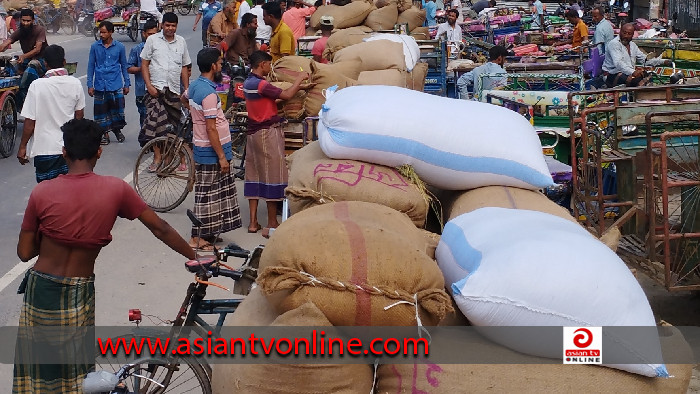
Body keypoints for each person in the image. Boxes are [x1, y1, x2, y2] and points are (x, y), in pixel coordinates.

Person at [13, 118, 195, 393]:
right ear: (99, 151)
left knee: (38, 369)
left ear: (64, 151)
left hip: (43, 290)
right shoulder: (116, 189)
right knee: (75, 372)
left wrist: (51, 232)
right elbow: (161, 228)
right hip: (79, 290)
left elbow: (25, 252)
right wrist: (194, 256)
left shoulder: (42, 192)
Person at [243, 50, 313, 235]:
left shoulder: (247, 83)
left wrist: (300, 88)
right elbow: (287, 95)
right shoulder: (262, 85)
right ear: (262, 64)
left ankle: (252, 222)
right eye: (268, 64)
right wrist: (299, 79)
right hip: (267, 133)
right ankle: (272, 222)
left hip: (252, 134)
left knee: (254, 174)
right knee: (273, 175)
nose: (270, 67)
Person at [186, 48, 242, 249]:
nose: (221, 66)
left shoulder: (195, 86)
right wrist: (221, 157)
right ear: (212, 66)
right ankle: (196, 237)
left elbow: (184, 99)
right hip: (211, 152)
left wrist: (195, 117)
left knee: (214, 193)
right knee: (206, 195)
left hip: (206, 148)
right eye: (219, 63)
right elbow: (211, 128)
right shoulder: (208, 94)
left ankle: (208, 232)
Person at [17, 45, 85, 183]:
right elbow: (79, 117)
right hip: (69, 149)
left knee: (47, 194)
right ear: (64, 61)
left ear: (45, 63)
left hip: (44, 150)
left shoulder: (37, 85)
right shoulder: (75, 83)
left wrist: (23, 147)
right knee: (68, 191)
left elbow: (30, 122)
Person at [140, 12, 191, 159]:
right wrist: (149, 86)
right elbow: (144, 64)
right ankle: (157, 157)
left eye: (173, 26)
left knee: (172, 127)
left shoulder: (181, 42)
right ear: (162, 25)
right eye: (167, 25)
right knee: (156, 125)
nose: (170, 28)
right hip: (155, 90)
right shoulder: (153, 41)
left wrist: (186, 90)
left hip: (174, 90)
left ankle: (168, 158)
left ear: (176, 26)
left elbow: (184, 67)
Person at [87, 21, 130, 145]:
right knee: (101, 111)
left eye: (104, 32)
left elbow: (124, 65)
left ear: (111, 32)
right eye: (100, 32)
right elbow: (91, 66)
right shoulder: (95, 47)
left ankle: (117, 130)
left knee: (117, 109)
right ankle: (105, 134)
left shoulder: (120, 47)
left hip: (115, 83)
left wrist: (126, 83)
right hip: (100, 84)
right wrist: (90, 85)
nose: (102, 34)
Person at [0, 8, 48, 111]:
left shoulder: (40, 30)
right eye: (23, 20)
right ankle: (16, 99)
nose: (25, 23)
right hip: (27, 60)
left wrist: (23, 56)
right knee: (9, 67)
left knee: (31, 68)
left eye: (28, 21)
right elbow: (7, 42)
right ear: (20, 20)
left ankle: (23, 89)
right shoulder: (19, 32)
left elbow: (37, 49)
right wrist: (2, 47)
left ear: (33, 20)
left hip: (41, 60)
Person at [128, 20, 158, 129]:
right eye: (149, 34)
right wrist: (143, 68)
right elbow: (129, 67)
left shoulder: (161, 49)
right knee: (144, 118)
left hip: (158, 89)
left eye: (154, 34)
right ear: (144, 34)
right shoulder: (136, 49)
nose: (151, 37)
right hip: (142, 91)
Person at [602, 23, 648, 87]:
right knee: (637, 81)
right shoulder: (614, 44)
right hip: (612, 74)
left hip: (626, 73)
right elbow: (618, 63)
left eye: (629, 34)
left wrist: (662, 61)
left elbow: (643, 58)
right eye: (624, 33)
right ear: (620, 32)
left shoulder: (632, 45)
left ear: (632, 35)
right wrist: (633, 72)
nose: (626, 36)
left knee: (648, 76)